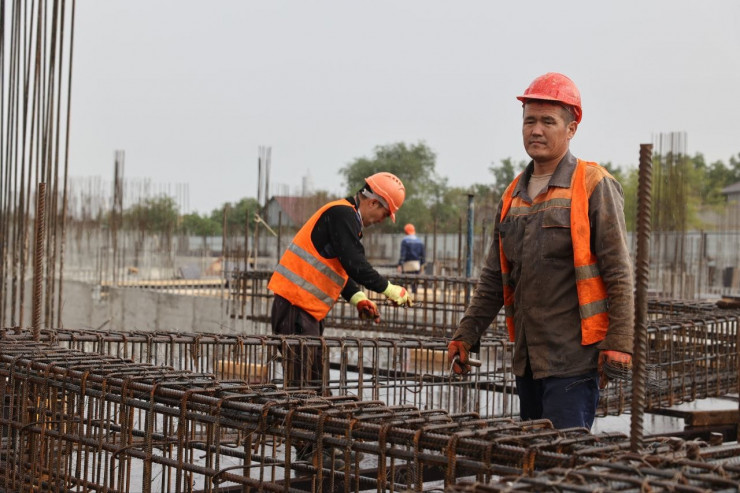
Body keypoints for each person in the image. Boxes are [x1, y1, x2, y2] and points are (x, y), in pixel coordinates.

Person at [447, 72, 634, 430]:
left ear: (571, 128)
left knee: (562, 456)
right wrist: (466, 334)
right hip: (528, 359)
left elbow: (619, 272)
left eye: (548, 121)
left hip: (574, 359)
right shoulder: (512, 195)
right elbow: (493, 278)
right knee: (533, 455)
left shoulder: (593, 184)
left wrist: (620, 342)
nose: (536, 130)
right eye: (529, 121)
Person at [268, 171, 414, 394]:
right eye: (385, 214)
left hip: (306, 312)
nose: (381, 221)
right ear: (373, 203)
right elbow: (356, 264)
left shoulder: (345, 217)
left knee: (316, 387)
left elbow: (335, 269)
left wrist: (358, 298)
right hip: (295, 307)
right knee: (302, 390)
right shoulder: (342, 214)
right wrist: (389, 289)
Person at [397, 223, 425, 293]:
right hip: (416, 265)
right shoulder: (419, 241)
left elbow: (403, 255)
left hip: (407, 265)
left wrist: (400, 264)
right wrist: (422, 265)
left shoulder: (405, 241)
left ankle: (405, 295)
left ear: (406, 231)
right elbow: (422, 255)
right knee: (414, 281)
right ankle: (414, 294)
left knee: (405, 281)